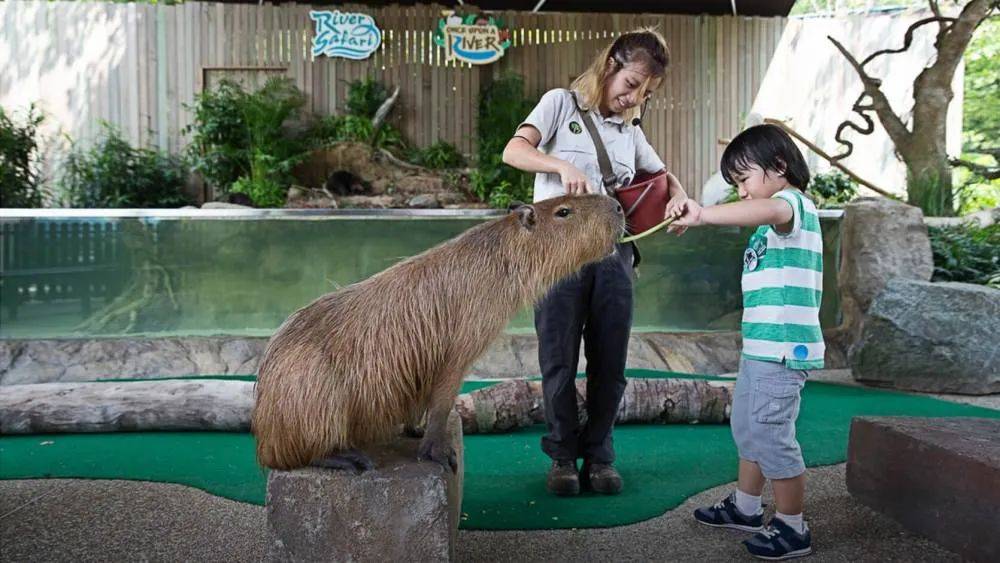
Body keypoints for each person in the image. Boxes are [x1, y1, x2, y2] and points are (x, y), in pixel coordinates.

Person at [501, 29, 688, 496]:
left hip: (613, 254)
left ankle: (600, 457)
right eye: (630, 83)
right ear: (609, 66)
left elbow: (660, 176)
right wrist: (559, 166)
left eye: (643, 91)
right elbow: (513, 150)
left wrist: (681, 198)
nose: (632, 98)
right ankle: (563, 456)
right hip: (556, 253)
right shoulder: (560, 105)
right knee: (558, 359)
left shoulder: (630, 129)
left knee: (611, 361)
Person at [671, 124, 822, 560]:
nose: (741, 192)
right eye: (735, 184)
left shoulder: (791, 206)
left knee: (772, 433)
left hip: (783, 350)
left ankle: (794, 527)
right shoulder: (769, 223)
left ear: (779, 167)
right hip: (760, 348)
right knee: (747, 426)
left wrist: (701, 214)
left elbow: (769, 209)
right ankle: (746, 507)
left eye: (743, 179)